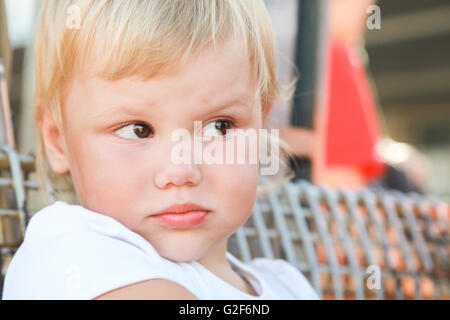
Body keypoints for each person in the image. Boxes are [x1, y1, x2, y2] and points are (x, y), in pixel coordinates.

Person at [2, 0, 319, 300]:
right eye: (137, 130)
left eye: (219, 126)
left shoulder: (289, 285)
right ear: (58, 140)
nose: (181, 170)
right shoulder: (69, 253)